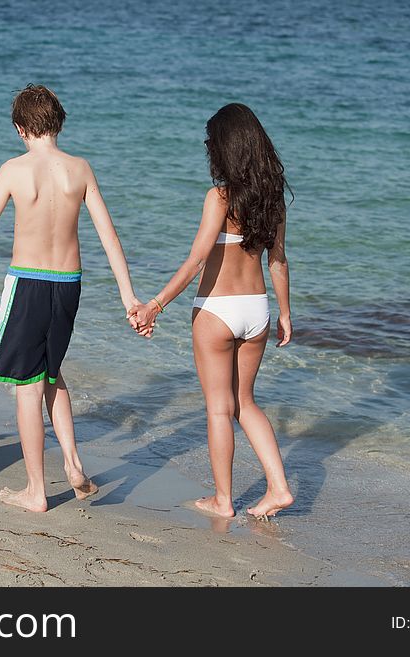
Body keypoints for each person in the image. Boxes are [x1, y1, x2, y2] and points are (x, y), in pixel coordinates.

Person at [0, 84, 141, 513]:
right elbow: (109, 236)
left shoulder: (13, 170)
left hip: (28, 282)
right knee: (52, 373)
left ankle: (35, 490)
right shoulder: (80, 169)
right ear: (59, 122)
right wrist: (129, 298)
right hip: (69, 283)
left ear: (20, 128)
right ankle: (72, 463)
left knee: (26, 387)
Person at [130, 103, 294, 519]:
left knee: (219, 409)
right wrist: (285, 313)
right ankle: (278, 487)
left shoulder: (219, 197)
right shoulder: (273, 201)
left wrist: (155, 305)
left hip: (217, 310)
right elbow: (278, 261)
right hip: (257, 309)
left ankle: (223, 500)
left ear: (224, 149)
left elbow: (196, 260)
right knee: (246, 403)